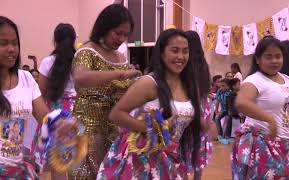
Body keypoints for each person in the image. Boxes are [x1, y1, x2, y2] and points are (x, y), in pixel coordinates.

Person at [97, 29, 202, 179]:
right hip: (142, 159)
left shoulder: (191, 86)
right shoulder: (149, 83)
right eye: (175, 51)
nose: (181, 56)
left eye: (185, 51)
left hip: (172, 157)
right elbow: (116, 114)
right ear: (162, 53)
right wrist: (152, 129)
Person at [70, 4, 141, 179]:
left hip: (115, 127)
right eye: (118, 33)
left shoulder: (121, 57)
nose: (122, 39)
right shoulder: (88, 51)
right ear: (105, 28)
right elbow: (80, 77)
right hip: (88, 127)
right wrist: (122, 73)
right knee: (87, 174)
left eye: (126, 35)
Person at [233, 36, 289, 179]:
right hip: (261, 144)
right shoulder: (254, 80)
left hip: (284, 144)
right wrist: (269, 119)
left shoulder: (288, 80)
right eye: (269, 57)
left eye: (278, 56)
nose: (274, 61)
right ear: (258, 59)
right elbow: (241, 102)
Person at [0, 16, 48, 178]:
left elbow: (45, 119)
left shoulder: (26, 79)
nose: (12, 49)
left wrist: (62, 126)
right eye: (4, 43)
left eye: (15, 43)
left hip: (17, 169)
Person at [33, 23, 77, 179]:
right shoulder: (80, 61)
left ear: (55, 40)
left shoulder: (47, 62)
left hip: (55, 113)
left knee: (57, 162)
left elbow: (41, 92)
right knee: (76, 161)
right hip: (77, 111)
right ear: (73, 40)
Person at [185, 30, 217, 179]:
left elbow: (192, 90)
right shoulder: (203, 64)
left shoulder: (186, 64)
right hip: (204, 108)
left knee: (185, 144)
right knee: (198, 145)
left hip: (191, 106)